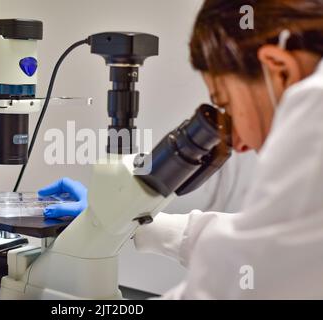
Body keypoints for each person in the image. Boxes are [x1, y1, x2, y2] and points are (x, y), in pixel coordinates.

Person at [38, 0, 323, 299]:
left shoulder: (314, 108)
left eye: (226, 104)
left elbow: (240, 279)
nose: (238, 144)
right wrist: (128, 222)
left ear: (280, 70)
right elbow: (274, 243)